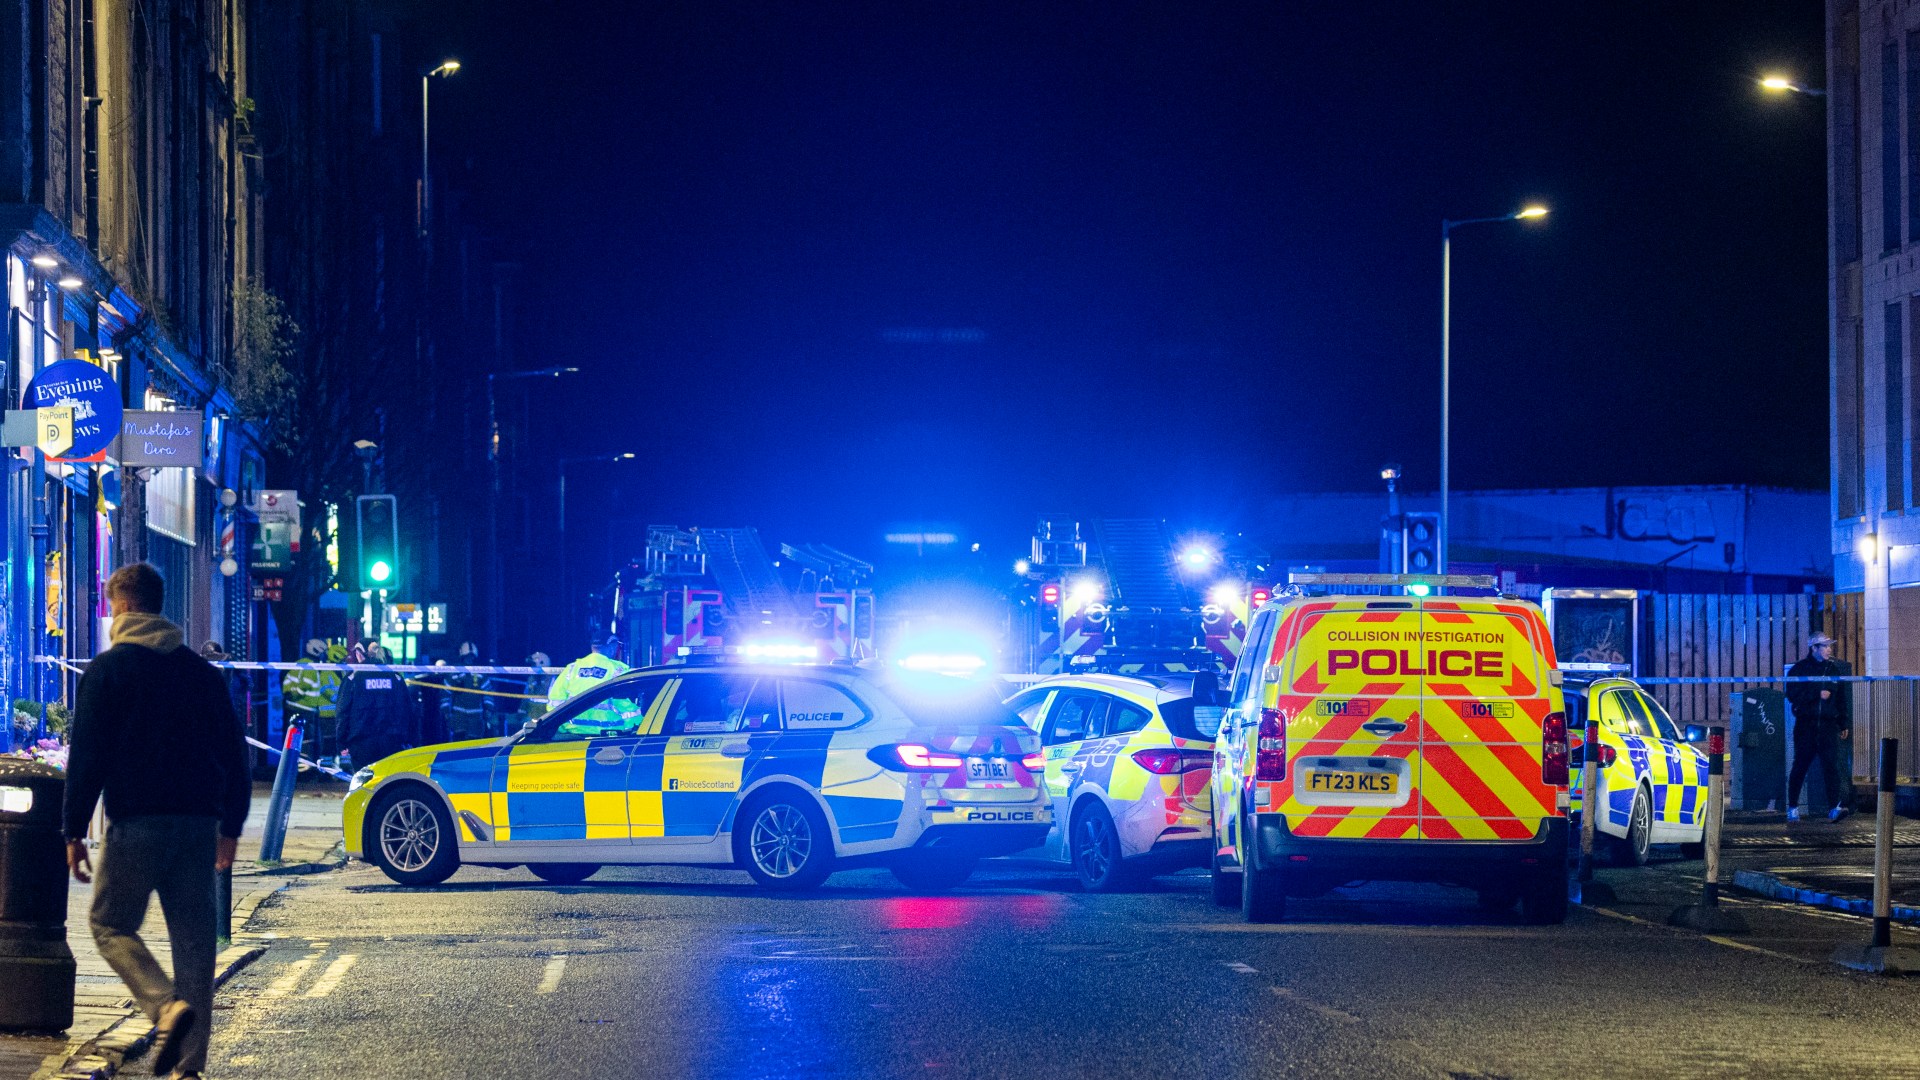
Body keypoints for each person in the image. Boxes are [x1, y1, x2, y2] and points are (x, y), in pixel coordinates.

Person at [63, 563, 249, 1080]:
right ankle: (187, 1070)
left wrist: (73, 831)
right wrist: (231, 827)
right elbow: (233, 756)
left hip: (136, 824)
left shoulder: (108, 671)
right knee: (195, 941)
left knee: (108, 923)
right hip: (197, 826)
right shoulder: (201, 674)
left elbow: (88, 758)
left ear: (120, 605)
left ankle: (165, 1008)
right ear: (159, 605)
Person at [1786, 631, 1854, 822]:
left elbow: (1840, 698)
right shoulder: (1799, 669)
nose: (1829, 649)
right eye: (1825, 646)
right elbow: (1791, 694)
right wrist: (1817, 693)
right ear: (1814, 648)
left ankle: (1834, 807)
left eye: (1829, 646)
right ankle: (1792, 807)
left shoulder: (1832, 670)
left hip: (1827, 725)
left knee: (1831, 767)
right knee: (1800, 766)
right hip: (1806, 725)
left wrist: (1843, 722)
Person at [334, 642, 419, 768]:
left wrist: (341, 742)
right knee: (388, 782)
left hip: (361, 741)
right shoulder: (395, 677)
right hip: (392, 741)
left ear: (361, 654)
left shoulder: (354, 677)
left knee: (364, 783)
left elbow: (342, 711)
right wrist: (411, 739)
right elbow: (407, 710)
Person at [547, 636, 631, 735]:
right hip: (609, 736)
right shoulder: (619, 669)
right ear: (612, 648)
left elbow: (555, 701)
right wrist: (634, 727)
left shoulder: (572, 668)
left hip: (572, 735)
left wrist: (562, 727)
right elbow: (626, 705)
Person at [280, 638, 341, 760]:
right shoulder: (311, 667)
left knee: (298, 739)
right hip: (304, 708)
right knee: (306, 741)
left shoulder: (302, 663)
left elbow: (290, 684)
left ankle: (301, 768)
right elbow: (304, 684)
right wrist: (296, 694)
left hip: (296, 707)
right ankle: (305, 771)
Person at [443, 640, 488, 741]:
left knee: (475, 745)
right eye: (467, 657)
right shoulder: (454, 673)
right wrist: (445, 711)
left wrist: (489, 709)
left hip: (476, 716)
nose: (469, 660)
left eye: (471, 657)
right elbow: (445, 692)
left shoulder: (480, 673)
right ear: (462, 657)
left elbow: (488, 692)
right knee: (459, 743)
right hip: (459, 715)